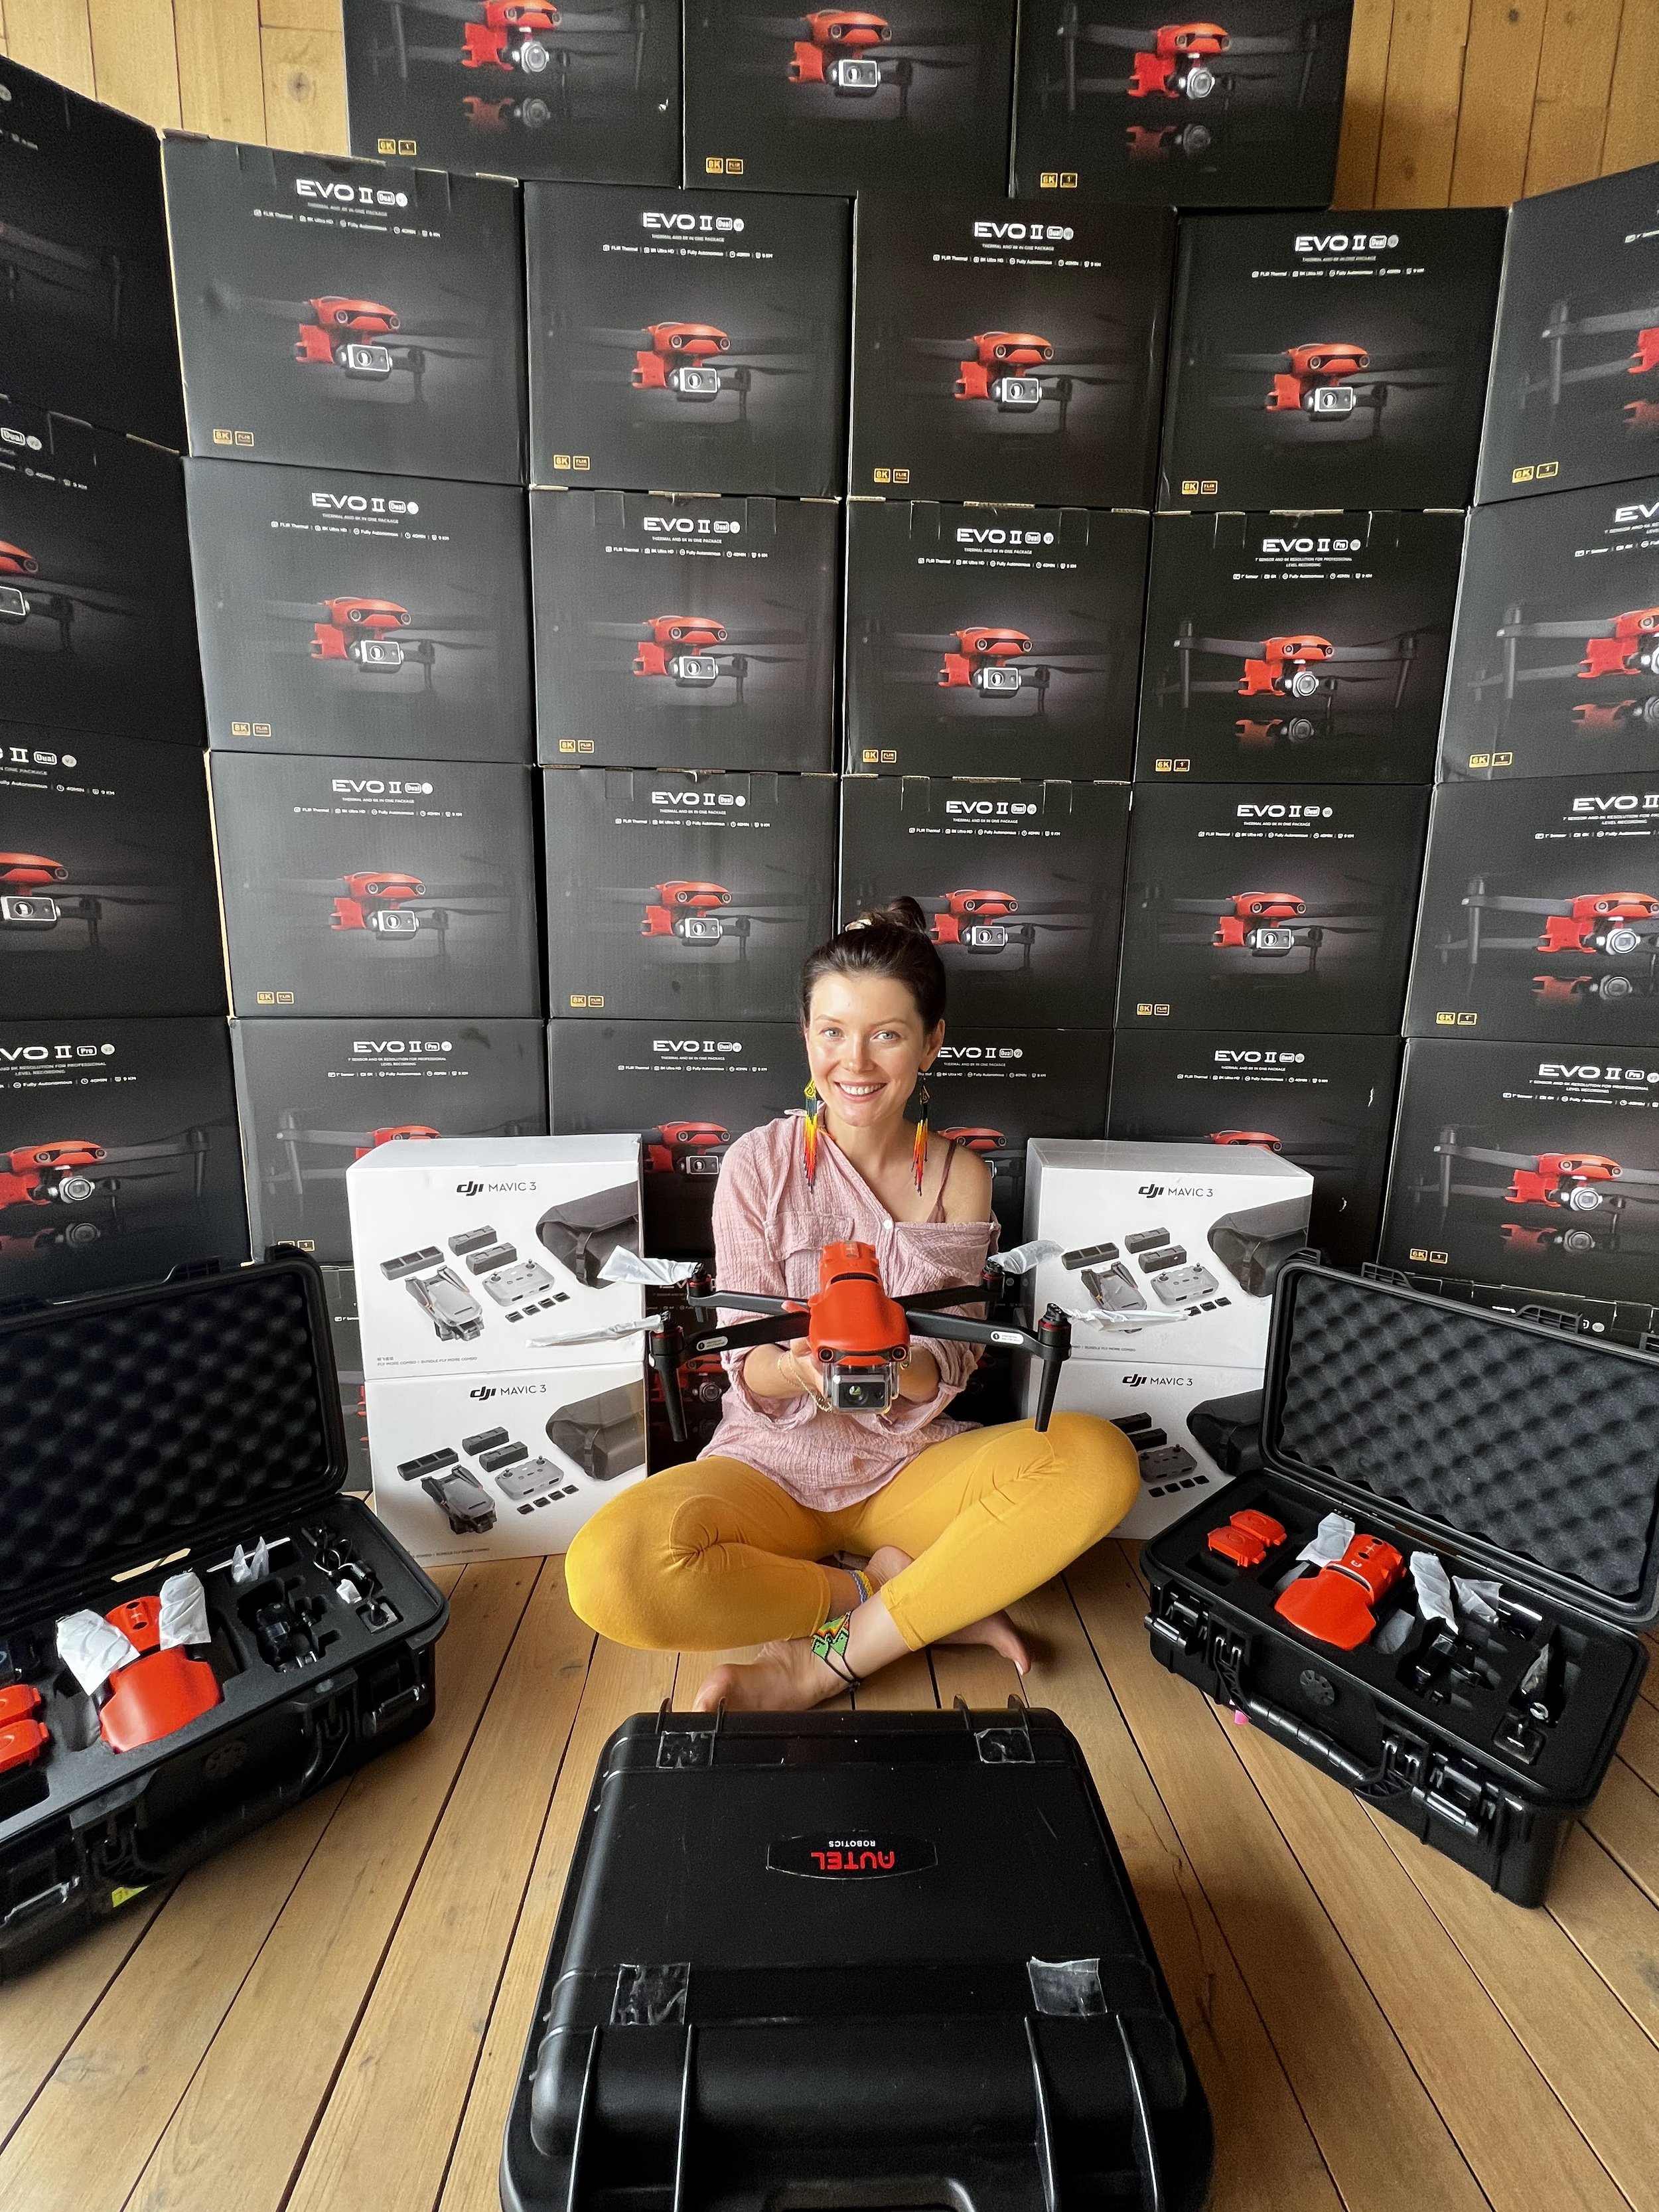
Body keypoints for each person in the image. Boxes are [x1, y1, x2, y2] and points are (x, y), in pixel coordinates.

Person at [565, 899, 1140, 1708]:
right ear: (807, 1036)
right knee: (611, 1573)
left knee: (1096, 1461)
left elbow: (952, 1361)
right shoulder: (758, 1164)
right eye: (832, 1031)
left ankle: (825, 1662)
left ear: (931, 1043)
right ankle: (892, 1595)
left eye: (887, 1034)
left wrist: (894, 1365)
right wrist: (803, 1371)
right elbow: (746, 1366)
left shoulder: (959, 1175)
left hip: (910, 1467)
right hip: (771, 1469)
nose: (855, 1062)